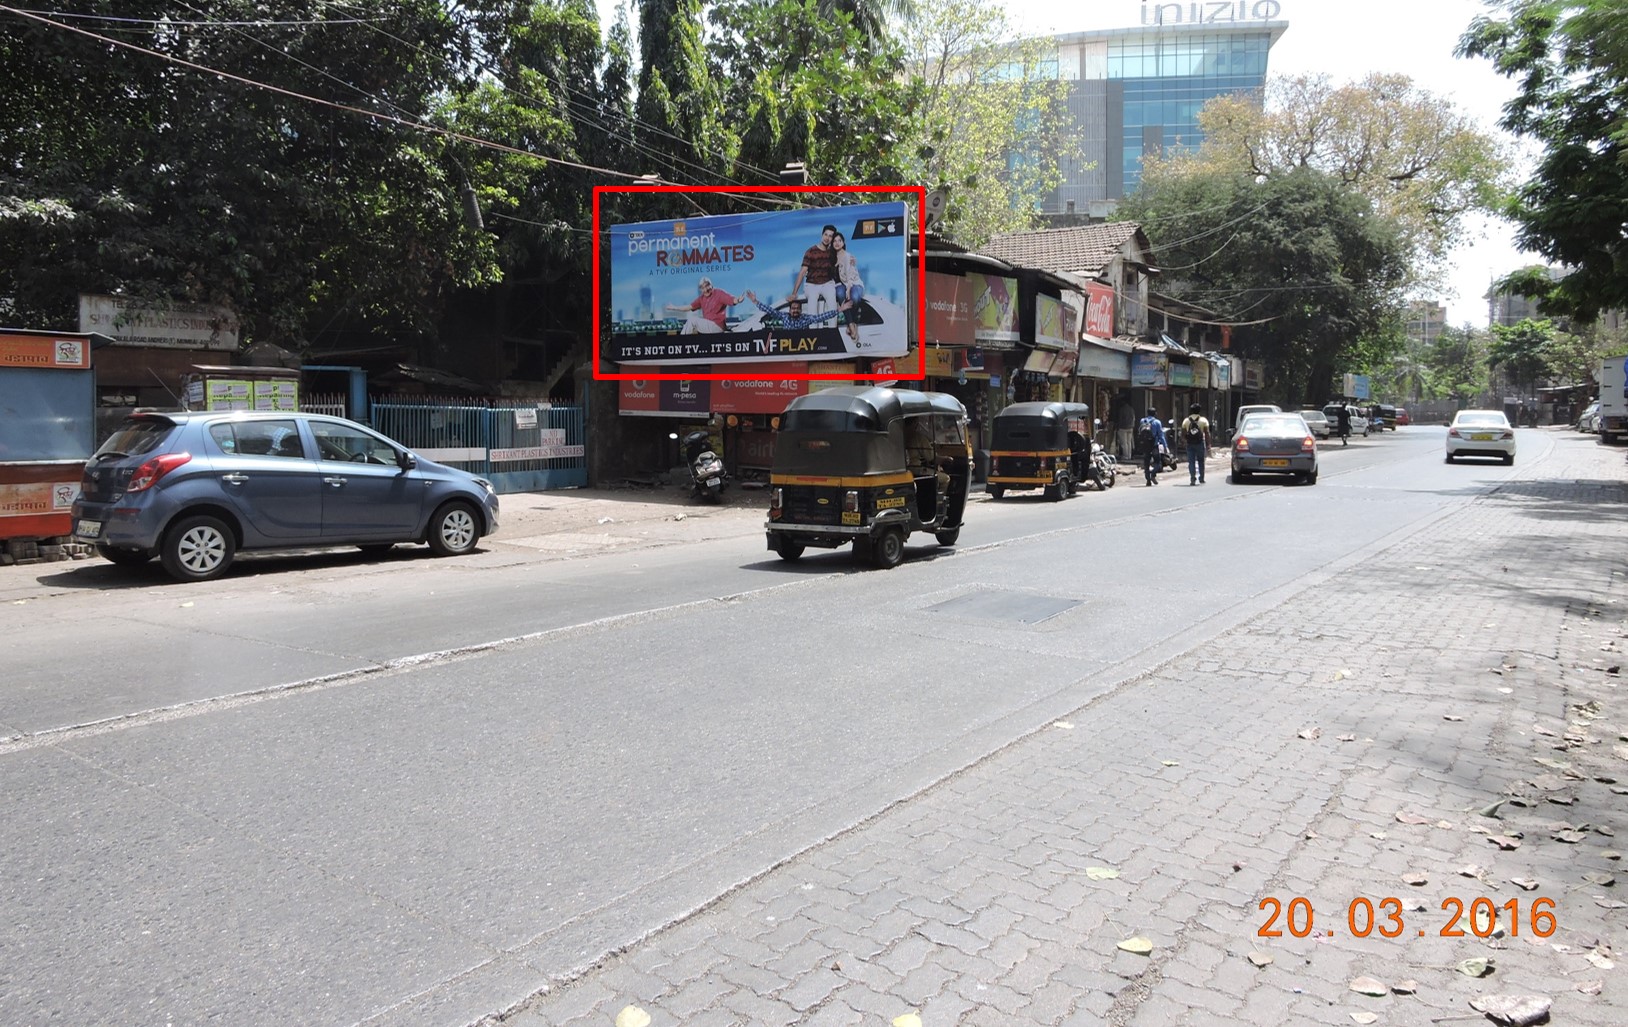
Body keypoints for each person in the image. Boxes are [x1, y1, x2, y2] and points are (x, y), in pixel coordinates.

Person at [790, 223, 840, 317]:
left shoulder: (832, 253)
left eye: (830, 236)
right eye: (825, 234)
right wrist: (794, 293)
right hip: (811, 284)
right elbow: (802, 272)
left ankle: (833, 330)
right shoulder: (811, 251)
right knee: (812, 306)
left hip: (827, 283)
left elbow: (841, 262)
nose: (827, 238)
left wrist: (851, 260)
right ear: (822, 235)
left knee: (832, 306)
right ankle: (813, 330)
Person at [664, 277, 742, 334]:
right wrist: (674, 308)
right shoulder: (702, 298)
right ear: (700, 289)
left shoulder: (719, 293)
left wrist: (738, 300)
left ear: (712, 285)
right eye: (702, 288)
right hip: (709, 326)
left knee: (692, 320)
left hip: (717, 326)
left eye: (707, 286)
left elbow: (731, 299)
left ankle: (681, 343)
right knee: (692, 323)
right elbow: (689, 307)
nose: (706, 289)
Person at [831, 231, 866, 346]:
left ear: (843, 242)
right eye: (834, 241)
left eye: (839, 241)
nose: (837, 243)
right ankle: (851, 324)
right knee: (839, 293)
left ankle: (852, 322)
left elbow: (849, 274)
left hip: (854, 283)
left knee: (855, 297)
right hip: (841, 285)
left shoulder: (847, 256)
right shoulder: (831, 258)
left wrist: (848, 288)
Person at [744, 291, 842, 329]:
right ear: (789, 310)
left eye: (797, 309)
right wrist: (755, 301)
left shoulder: (805, 318)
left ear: (801, 310)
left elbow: (820, 317)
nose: (795, 310)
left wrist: (839, 310)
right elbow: (770, 311)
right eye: (793, 308)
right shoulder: (784, 316)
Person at [1134, 407, 1169, 486]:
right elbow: (1161, 435)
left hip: (1145, 445)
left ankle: (1148, 480)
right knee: (1157, 462)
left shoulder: (1142, 421)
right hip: (1154, 445)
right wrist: (1165, 446)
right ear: (1155, 413)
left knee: (1146, 463)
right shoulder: (1157, 422)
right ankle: (1153, 474)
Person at [1178, 402, 1210, 485]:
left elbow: (1182, 435)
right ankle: (1201, 478)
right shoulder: (1203, 420)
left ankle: (1192, 478)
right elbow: (1207, 433)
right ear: (1199, 411)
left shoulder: (1186, 421)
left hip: (1190, 444)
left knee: (1191, 462)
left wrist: (1185, 442)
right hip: (1200, 443)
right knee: (1201, 461)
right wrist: (1208, 444)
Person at [1115, 393, 1137, 462]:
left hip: (1123, 427)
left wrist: (1118, 426)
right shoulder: (1131, 409)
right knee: (1129, 442)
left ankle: (1125, 456)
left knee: (1124, 443)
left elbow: (1121, 419)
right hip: (1130, 427)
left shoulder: (1122, 409)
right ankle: (1129, 456)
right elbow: (1134, 418)